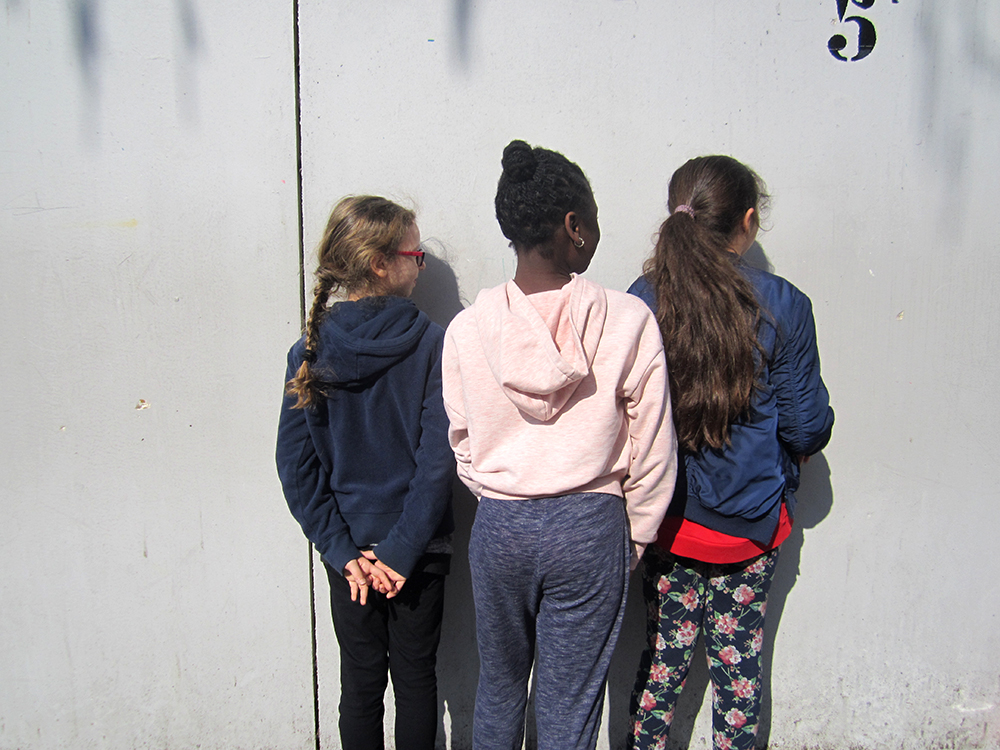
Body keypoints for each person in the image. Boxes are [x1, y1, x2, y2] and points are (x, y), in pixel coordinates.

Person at [441, 140, 678, 750]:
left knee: (498, 688)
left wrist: (503, 492)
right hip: (591, 525)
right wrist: (633, 535)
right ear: (574, 226)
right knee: (569, 705)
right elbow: (653, 446)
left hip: (501, 527)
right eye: (592, 220)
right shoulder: (627, 319)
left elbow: (461, 440)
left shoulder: (467, 330)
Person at [626, 156, 835, 750]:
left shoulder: (642, 299)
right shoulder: (784, 304)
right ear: (747, 220)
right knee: (739, 674)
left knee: (661, 668)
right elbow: (805, 428)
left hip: (667, 524)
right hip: (751, 528)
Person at [275, 196, 455, 750]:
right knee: (416, 681)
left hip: (350, 556)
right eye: (415, 255)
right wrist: (401, 551)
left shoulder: (309, 349)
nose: (420, 265)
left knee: (359, 686)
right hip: (418, 553)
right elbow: (438, 460)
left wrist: (341, 550)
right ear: (380, 264)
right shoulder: (432, 343)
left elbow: (296, 466)